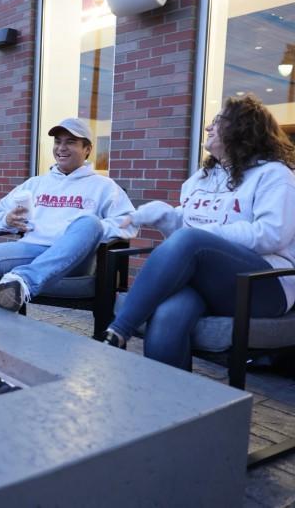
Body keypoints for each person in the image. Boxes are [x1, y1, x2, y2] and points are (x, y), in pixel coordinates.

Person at [104, 95, 295, 371]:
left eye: (217, 121)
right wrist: (159, 215)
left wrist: (202, 235)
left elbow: (270, 235)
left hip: (264, 284)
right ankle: (175, 409)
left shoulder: (275, 175)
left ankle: (118, 331)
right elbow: (187, 227)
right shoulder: (202, 178)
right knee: (167, 318)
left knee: (191, 240)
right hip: (210, 282)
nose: (208, 128)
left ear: (242, 129)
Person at [0, 117, 137, 311]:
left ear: (87, 149)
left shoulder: (104, 186)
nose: (61, 148)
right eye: (58, 142)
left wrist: (89, 230)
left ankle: (23, 281)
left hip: (73, 257)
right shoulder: (35, 184)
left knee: (89, 222)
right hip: (31, 250)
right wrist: (8, 219)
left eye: (70, 142)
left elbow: (130, 222)